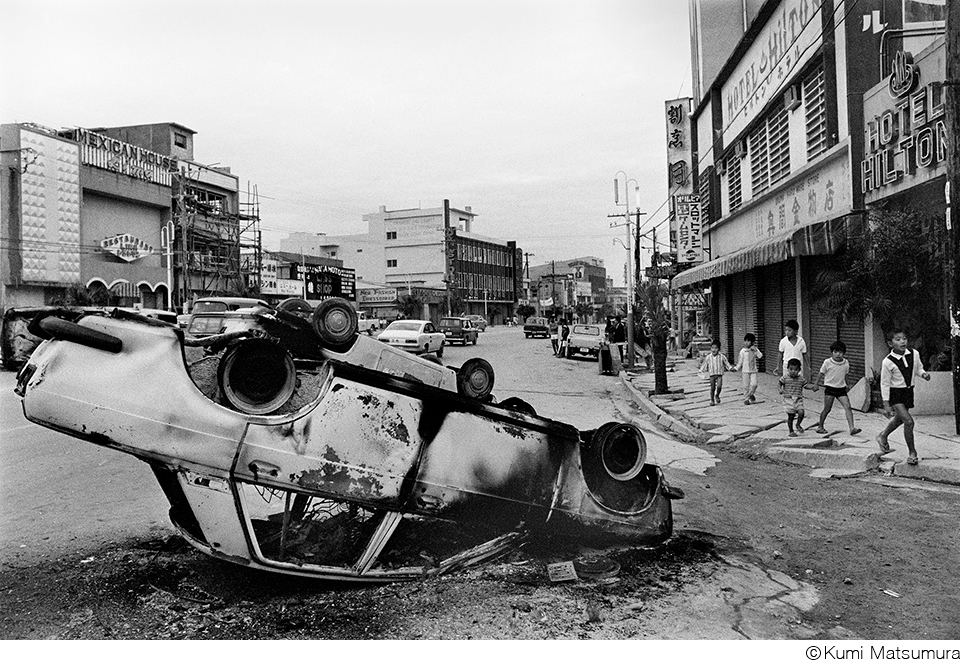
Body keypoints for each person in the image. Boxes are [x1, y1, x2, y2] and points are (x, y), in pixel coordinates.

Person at [876, 329, 931, 465]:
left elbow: (918, 368)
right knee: (908, 422)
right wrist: (886, 403)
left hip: (908, 392)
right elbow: (884, 383)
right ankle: (912, 453)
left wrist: (923, 374)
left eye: (904, 338)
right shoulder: (887, 362)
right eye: (898, 339)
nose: (902, 341)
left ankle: (883, 435)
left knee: (899, 420)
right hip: (896, 394)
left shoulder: (914, 353)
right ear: (890, 343)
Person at [812, 340, 861, 436]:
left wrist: (848, 384)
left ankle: (852, 428)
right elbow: (821, 373)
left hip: (841, 389)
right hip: (830, 388)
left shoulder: (846, 363)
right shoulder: (827, 362)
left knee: (848, 407)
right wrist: (816, 384)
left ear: (844, 353)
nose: (838, 354)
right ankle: (820, 426)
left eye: (840, 352)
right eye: (835, 352)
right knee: (827, 409)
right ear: (832, 353)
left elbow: (846, 374)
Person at [779, 358, 808, 437]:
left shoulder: (801, 378)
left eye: (795, 369)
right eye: (791, 369)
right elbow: (780, 383)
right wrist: (780, 389)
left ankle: (798, 424)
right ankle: (791, 431)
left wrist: (813, 387)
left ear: (799, 370)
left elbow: (806, 385)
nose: (793, 371)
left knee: (801, 412)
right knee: (791, 416)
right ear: (788, 369)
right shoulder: (785, 377)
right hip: (788, 399)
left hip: (798, 399)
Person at [731, 332, 763, 405]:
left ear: (752, 342)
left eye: (748, 341)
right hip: (745, 371)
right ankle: (746, 399)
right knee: (746, 386)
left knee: (754, 384)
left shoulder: (754, 350)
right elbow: (740, 361)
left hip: (753, 370)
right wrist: (736, 368)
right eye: (745, 341)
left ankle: (751, 394)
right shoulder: (742, 351)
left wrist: (756, 350)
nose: (746, 342)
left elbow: (760, 356)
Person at [699, 339, 732, 406]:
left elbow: (726, 363)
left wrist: (731, 368)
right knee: (712, 387)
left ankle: (717, 395)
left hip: (719, 374)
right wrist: (701, 370)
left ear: (719, 349)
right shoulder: (709, 357)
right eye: (712, 348)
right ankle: (712, 400)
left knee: (719, 386)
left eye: (716, 348)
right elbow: (705, 364)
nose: (714, 350)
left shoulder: (722, 356)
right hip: (712, 374)